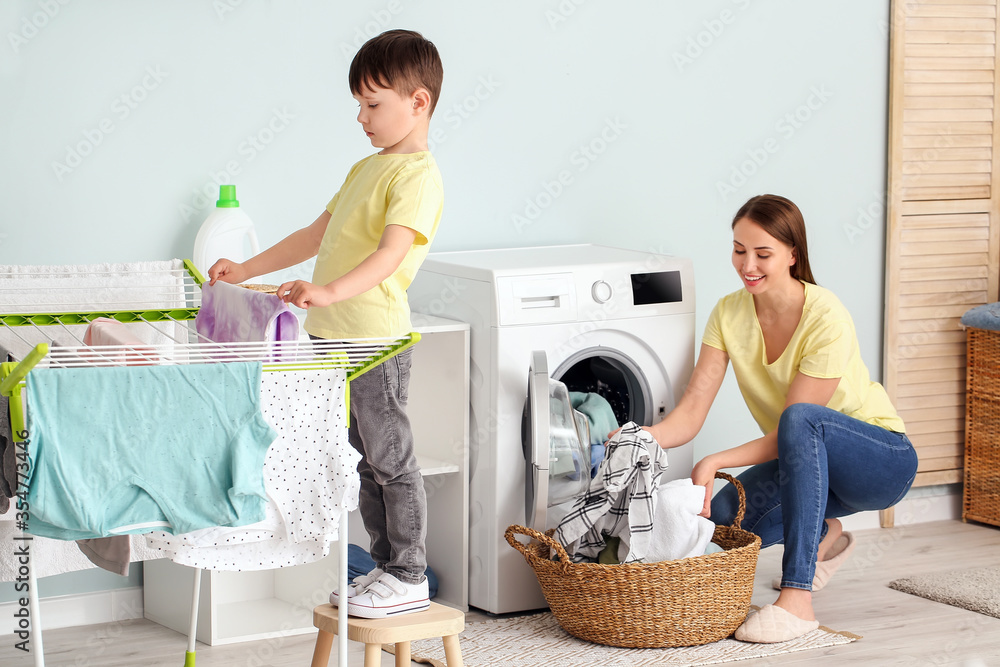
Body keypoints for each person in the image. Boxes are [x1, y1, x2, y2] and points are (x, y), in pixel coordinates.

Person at [207, 29, 444, 619]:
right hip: (335, 337)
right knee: (362, 457)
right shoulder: (367, 168)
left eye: (373, 104)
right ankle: (385, 566)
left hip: (376, 341)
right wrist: (244, 269)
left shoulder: (416, 177)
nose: (361, 117)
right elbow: (314, 235)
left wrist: (328, 290)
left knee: (392, 458)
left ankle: (410, 572)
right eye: (358, 105)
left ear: (418, 103)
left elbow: (391, 255)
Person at [643, 194, 917, 643]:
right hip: (808, 468)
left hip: (881, 462)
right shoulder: (728, 313)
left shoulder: (826, 315)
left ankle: (797, 599)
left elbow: (798, 425)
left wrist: (713, 462)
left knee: (802, 420)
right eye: (738, 249)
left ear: (793, 254)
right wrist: (641, 436)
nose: (747, 264)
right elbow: (690, 413)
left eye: (762, 253)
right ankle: (825, 533)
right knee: (723, 523)